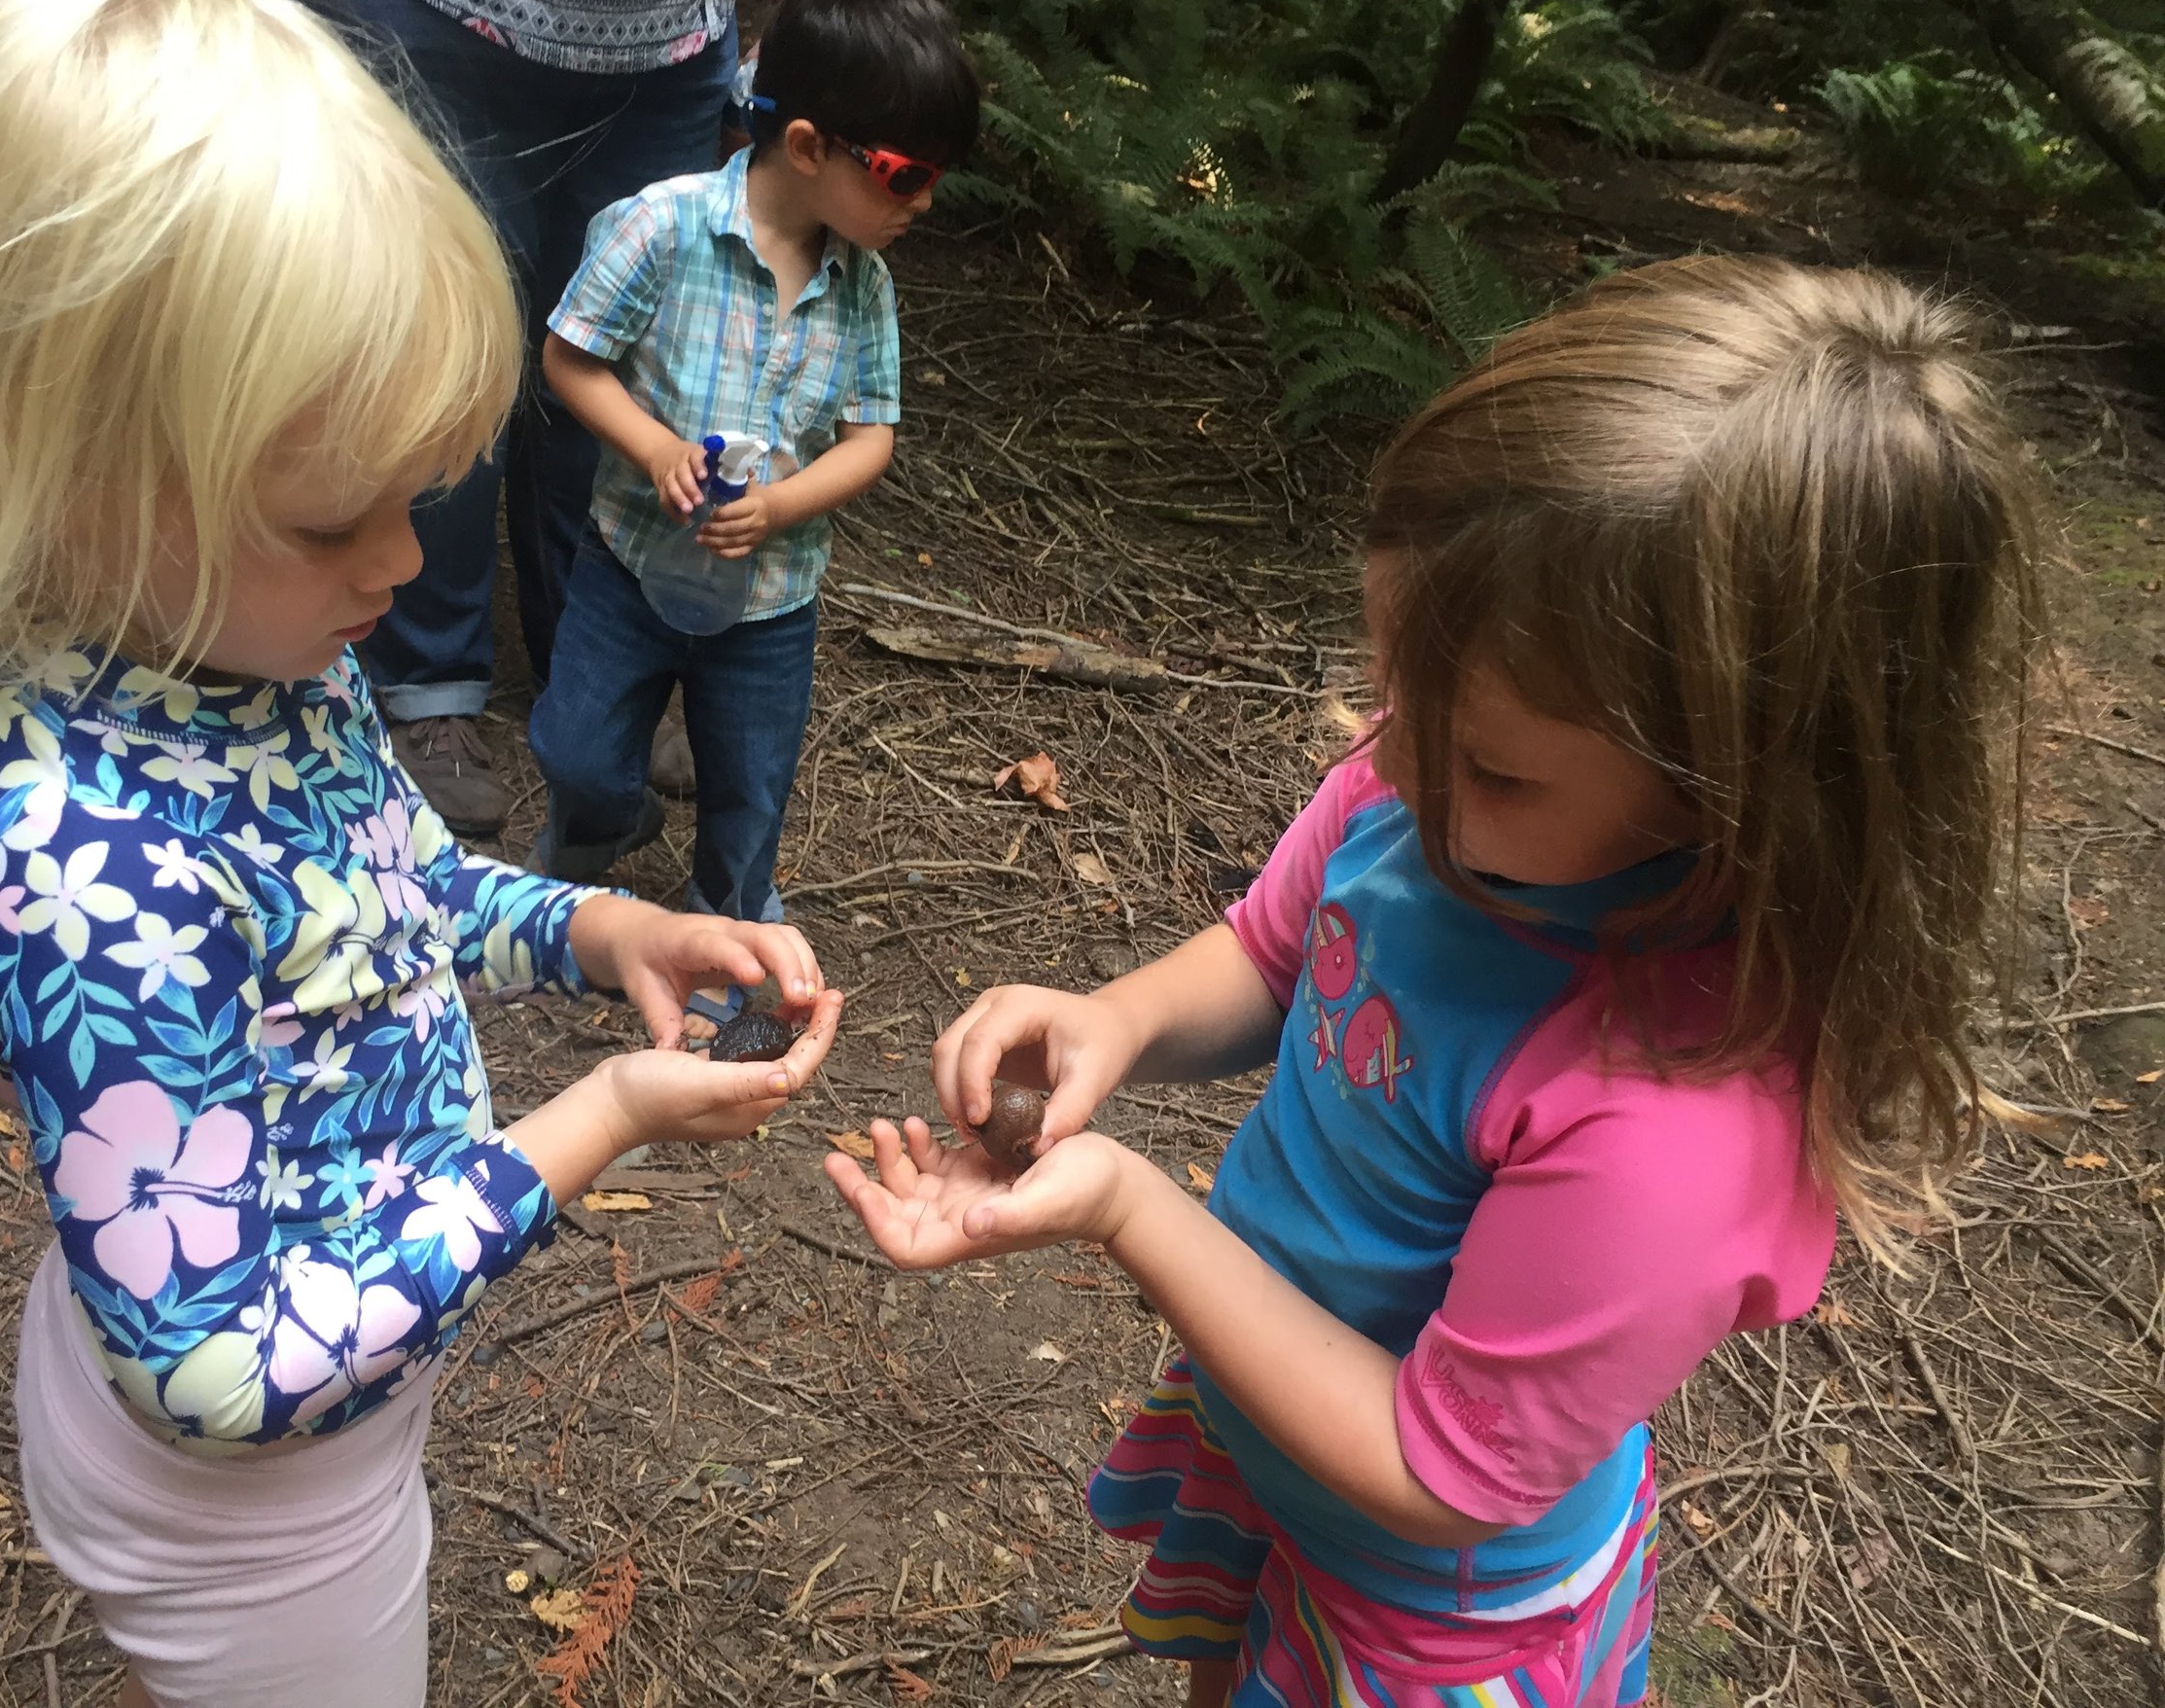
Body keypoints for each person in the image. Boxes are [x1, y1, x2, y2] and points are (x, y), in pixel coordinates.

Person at [0, 0, 843, 1708]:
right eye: (330, 518)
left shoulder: (241, 652)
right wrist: (590, 1124)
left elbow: (388, 891)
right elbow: (217, 1371)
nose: (399, 565)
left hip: (318, 1366)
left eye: (415, 502)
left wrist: (604, 937)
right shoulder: (87, 877)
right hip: (255, 1500)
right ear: (73, 472)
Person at [827, 256, 2045, 1707]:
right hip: (1275, 1430)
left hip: (1427, 1602)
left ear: (1752, 780)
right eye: (1398, 682)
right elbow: (1283, 954)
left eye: (1494, 764)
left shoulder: (1670, 1118)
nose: (1389, 760)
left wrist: (1126, 1203)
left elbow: (1436, 1462)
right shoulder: (1418, 795)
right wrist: (1120, 1017)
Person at [225, 0, 833, 836]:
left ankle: (597, 674)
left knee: (621, 362)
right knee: (440, 350)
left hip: (664, 51)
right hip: (436, 7)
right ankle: (427, 687)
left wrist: (810, 11)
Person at [530, 0, 977, 933]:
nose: (925, 203)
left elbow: (870, 439)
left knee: (749, 783)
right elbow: (569, 358)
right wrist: (654, 450)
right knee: (580, 750)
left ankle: (728, 919)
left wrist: (780, 507)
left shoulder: (862, 288)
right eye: (908, 174)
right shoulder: (663, 226)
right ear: (811, 146)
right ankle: (585, 855)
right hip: (630, 563)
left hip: (771, 601)